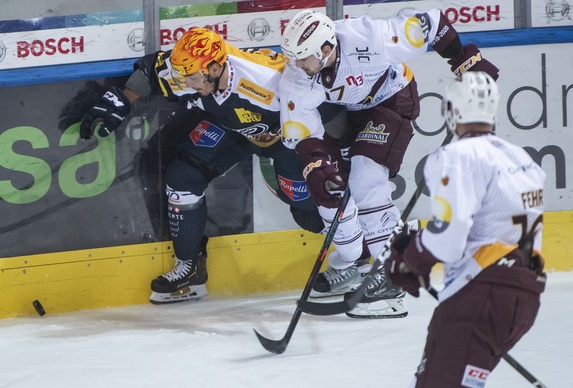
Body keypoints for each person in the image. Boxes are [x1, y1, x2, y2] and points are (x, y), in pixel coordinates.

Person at [80, 27, 344, 304]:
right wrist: (121, 100)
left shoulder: (266, 81)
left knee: (307, 207)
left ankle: (355, 257)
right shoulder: (188, 69)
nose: (187, 83)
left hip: (285, 138)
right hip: (232, 128)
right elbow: (150, 73)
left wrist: (344, 142)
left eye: (193, 78)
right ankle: (190, 268)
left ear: (216, 68)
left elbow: (327, 102)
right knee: (182, 178)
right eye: (184, 76)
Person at [279, 9, 499, 317]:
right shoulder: (298, 73)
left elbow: (431, 22)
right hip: (349, 110)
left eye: (302, 58)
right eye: (292, 57)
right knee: (338, 185)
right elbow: (302, 129)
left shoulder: (369, 37)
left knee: (366, 178)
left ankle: (392, 277)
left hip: (393, 98)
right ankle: (358, 264)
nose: (295, 65)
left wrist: (464, 61)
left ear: (325, 50)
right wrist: (316, 166)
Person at [386, 72, 547, 386]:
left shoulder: (456, 157)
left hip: (480, 296)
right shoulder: (522, 158)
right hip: (524, 297)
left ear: (451, 110)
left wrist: (412, 256)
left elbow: (449, 238)